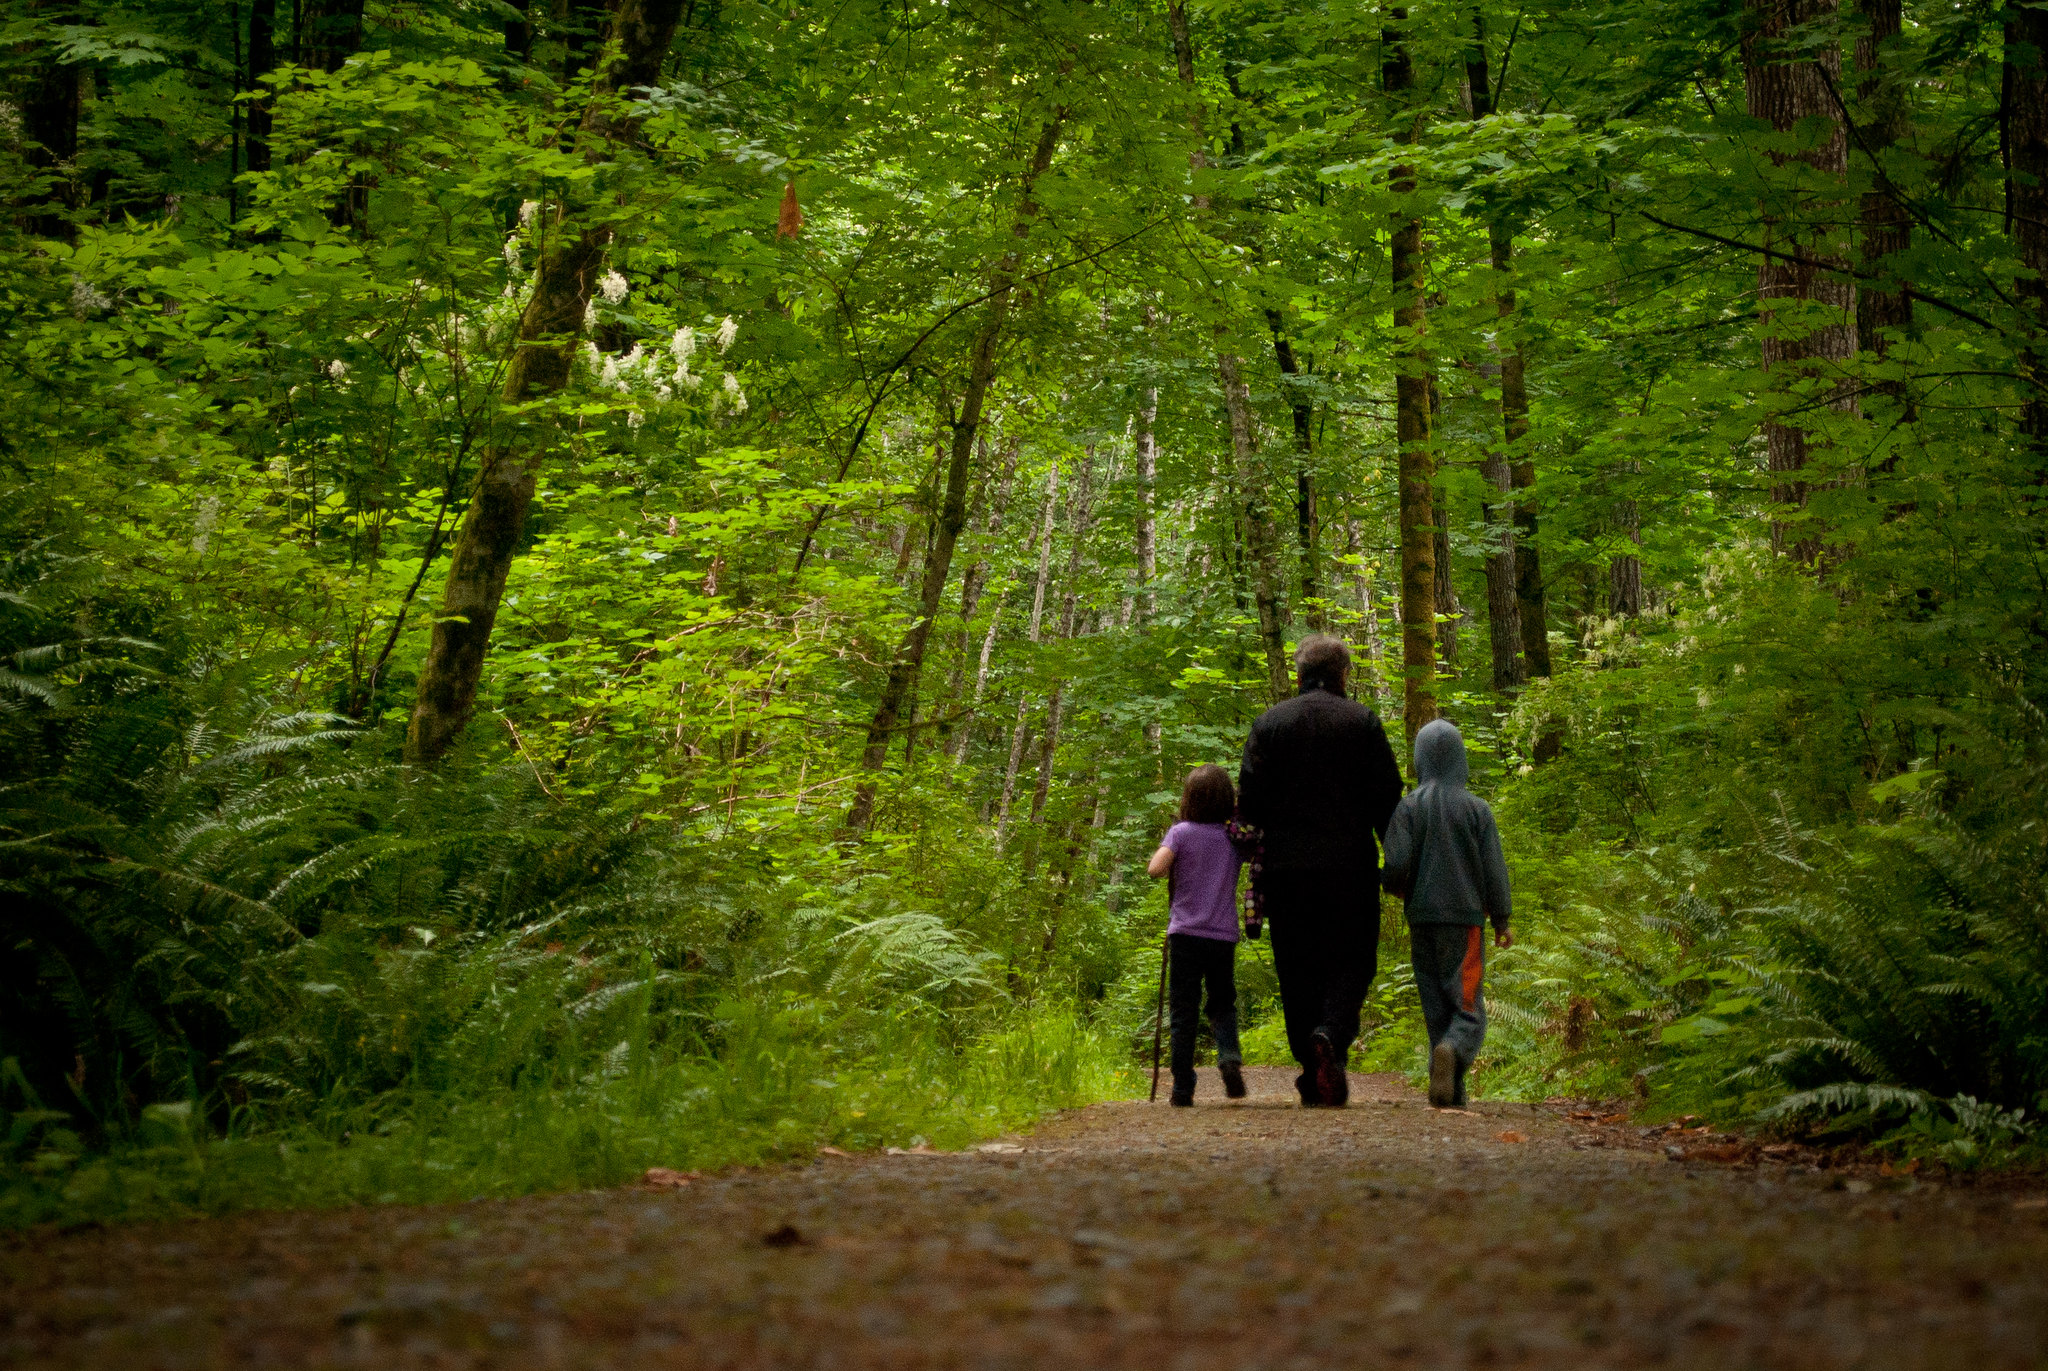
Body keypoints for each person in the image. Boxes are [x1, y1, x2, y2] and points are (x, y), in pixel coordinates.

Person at [1236, 635, 1404, 1108]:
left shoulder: (1269, 725)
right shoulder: (1362, 722)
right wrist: (1399, 862)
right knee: (1354, 960)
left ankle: (1312, 1069)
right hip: (1349, 867)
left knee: (1297, 968)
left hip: (1286, 872)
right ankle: (1330, 1035)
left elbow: (1249, 805)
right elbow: (1387, 799)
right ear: (1343, 674)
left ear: (1299, 675)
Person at [1380, 718, 1514, 1109]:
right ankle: (1453, 1051)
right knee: (1467, 1007)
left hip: (1421, 920)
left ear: (1420, 759)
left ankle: (1451, 1093)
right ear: (1461, 759)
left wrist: (1393, 885)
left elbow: (1396, 862)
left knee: (1436, 1004)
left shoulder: (1407, 808)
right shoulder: (1477, 810)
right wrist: (1502, 918)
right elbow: (1494, 869)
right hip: (1465, 922)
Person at [1146, 764, 1249, 1107]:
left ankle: (1182, 1089)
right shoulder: (1233, 838)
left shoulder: (1181, 833)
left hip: (1186, 935)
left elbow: (1155, 869)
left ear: (1188, 798)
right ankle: (1229, 1056)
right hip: (1222, 936)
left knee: (1183, 1011)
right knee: (1222, 1002)